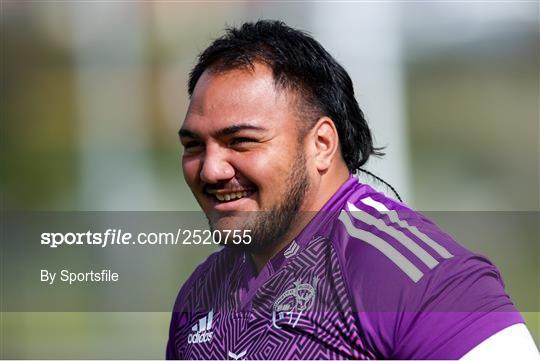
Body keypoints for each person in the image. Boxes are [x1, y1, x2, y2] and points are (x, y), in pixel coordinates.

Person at [167, 20, 538, 359]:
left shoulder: (415, 278)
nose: (211, 169)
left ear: (322, 144)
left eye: (241, 141)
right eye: (194, 145)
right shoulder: (200, 295)